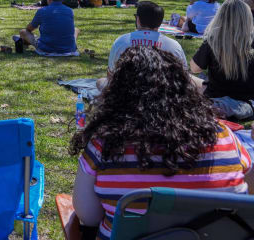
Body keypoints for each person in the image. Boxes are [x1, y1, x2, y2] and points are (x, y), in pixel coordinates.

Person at [70, 46, 251, 240]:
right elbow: (245, 194)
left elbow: (88, 217)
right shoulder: (224, 136)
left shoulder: (104, 146)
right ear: (184, 89)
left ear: (118, 94)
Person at [190, 0, 254, 121]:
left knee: (187, 78)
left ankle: (222, 108)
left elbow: (194, 68)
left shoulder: (213, 41)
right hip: (247, 103)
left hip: (215, 97)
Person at [107, 1, 186, 73]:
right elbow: (184, 73)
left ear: (138, 19)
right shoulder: (174, 46)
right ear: (160, 22)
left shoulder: (121, 42)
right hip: (163, 87)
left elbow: (111, 71)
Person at [14, 0, 79, 55]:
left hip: (47, 48)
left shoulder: (42, 11)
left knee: (23, 32)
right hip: (69, 48)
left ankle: (26, 42)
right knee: (76, 30)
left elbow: (29, 28)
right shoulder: (70, 11)